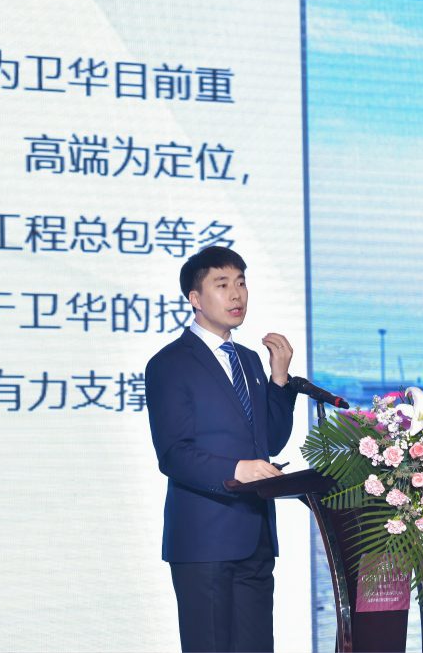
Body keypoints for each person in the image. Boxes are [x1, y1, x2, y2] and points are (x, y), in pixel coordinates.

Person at [146, 246, 297, 652]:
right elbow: (173, 454)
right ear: (195, 298)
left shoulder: (248, 360)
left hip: (255, 536)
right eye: (222, 284)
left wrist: (279, 381)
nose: (236, 294)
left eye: (241, 283)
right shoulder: (170, 363)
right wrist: (236, 469)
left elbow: (271, 441)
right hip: (203, 541)